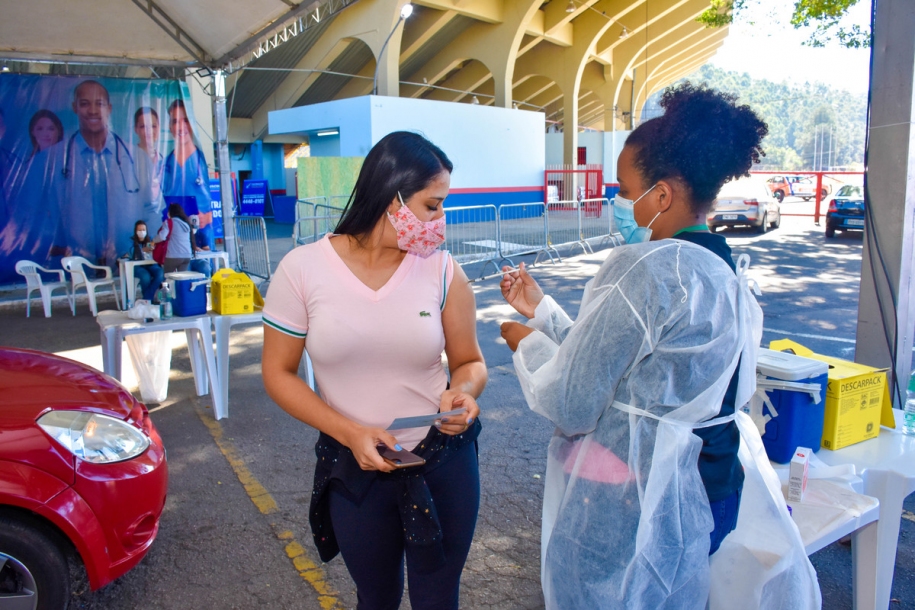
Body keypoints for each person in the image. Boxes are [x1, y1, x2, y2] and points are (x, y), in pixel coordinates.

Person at [499, 84, 819, 609]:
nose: (619, 202)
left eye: (625, 189)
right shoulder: (724, 271)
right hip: (706, 485)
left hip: (636, 497)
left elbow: (573, 402)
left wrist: (526, 344)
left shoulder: (645, 267)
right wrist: (545, 312)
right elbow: (644, 368)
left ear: (662, 195)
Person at [261, 131, 487, 610]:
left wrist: (463, 394)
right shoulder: (302, 269)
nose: (440, 223)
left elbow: (469, 362)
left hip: (443, 462)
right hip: (355, 467)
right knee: (376, 598)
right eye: (432, 206)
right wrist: (348, 432)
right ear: (392, 200)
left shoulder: (444, 271)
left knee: (437, 598)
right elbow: (278, 373)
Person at [31, 80, 149, 266]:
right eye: (85, 103)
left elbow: (151, 207)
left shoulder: (137, 158)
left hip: (126, 259)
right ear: (74, 107)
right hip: (75, 261)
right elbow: (40, 214)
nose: (93, 111)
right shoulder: (52, 159)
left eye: (99, 104)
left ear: (109, 108)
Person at [162, 99, 214, 252]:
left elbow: (221, 202)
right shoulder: (166, 165)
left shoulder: (203, 161)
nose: (181, 127)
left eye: (185, 120)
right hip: (175, 233)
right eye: (175, 121)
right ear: (170, 127)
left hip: (201, 232)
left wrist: (209, 217)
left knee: (203, 269)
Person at [133, 106, 165, 227]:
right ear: (136, 129)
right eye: (143, 126)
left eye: (153, 126)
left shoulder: (163, 160)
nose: (149, 131)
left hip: (159, 220)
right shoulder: (130, 159)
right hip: (137, 219)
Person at [122, 220, 164, 303]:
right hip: (137, 266)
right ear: (135, 231)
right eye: (139, 230)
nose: (142, 232)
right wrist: (142, 250)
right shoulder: (131, 241)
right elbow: (130, 252)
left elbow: (155, 249)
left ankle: (146, 298)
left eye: (143, 230)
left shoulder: (150, 239)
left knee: (160, 273)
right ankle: (148, 301)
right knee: (145, 276)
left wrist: (153, 249)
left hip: (150, 264)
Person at [154, 202, 194, 273]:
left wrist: (153, 240)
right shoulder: (186, 224)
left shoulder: (169, 222)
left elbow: (162, 237)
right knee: (181, 279)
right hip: (187, 255)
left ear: (170, 213)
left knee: (167, 277)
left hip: (173, 255)